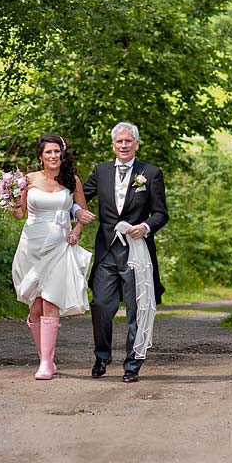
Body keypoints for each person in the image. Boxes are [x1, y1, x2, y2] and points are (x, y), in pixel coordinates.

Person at [75, 122, 168, 383]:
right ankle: (102, 356)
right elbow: (79, 198)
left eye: (128, 141)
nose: (124, 146)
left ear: (136, 144)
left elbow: (161, 213)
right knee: (101, 305)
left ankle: (132, 364)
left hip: (137, 253)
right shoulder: (101, 171)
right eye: (119, 142)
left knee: (136, 309)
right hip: (107, 251)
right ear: (113, 145)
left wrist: (146, 226)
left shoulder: (150, 173)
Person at [11, 134, 91, 380]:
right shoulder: (28, 179)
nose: (54, 156)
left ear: (62, 154)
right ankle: (46, 358)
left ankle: (46, 364)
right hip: (31, 245)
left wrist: (76, 231)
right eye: (49, 152)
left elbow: (83, 212)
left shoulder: (71, 180)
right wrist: (11, 200)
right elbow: (19, 214)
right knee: (35, 308)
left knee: (50, 300)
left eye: (57, 152)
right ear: (41, 156)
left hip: (59, 245)